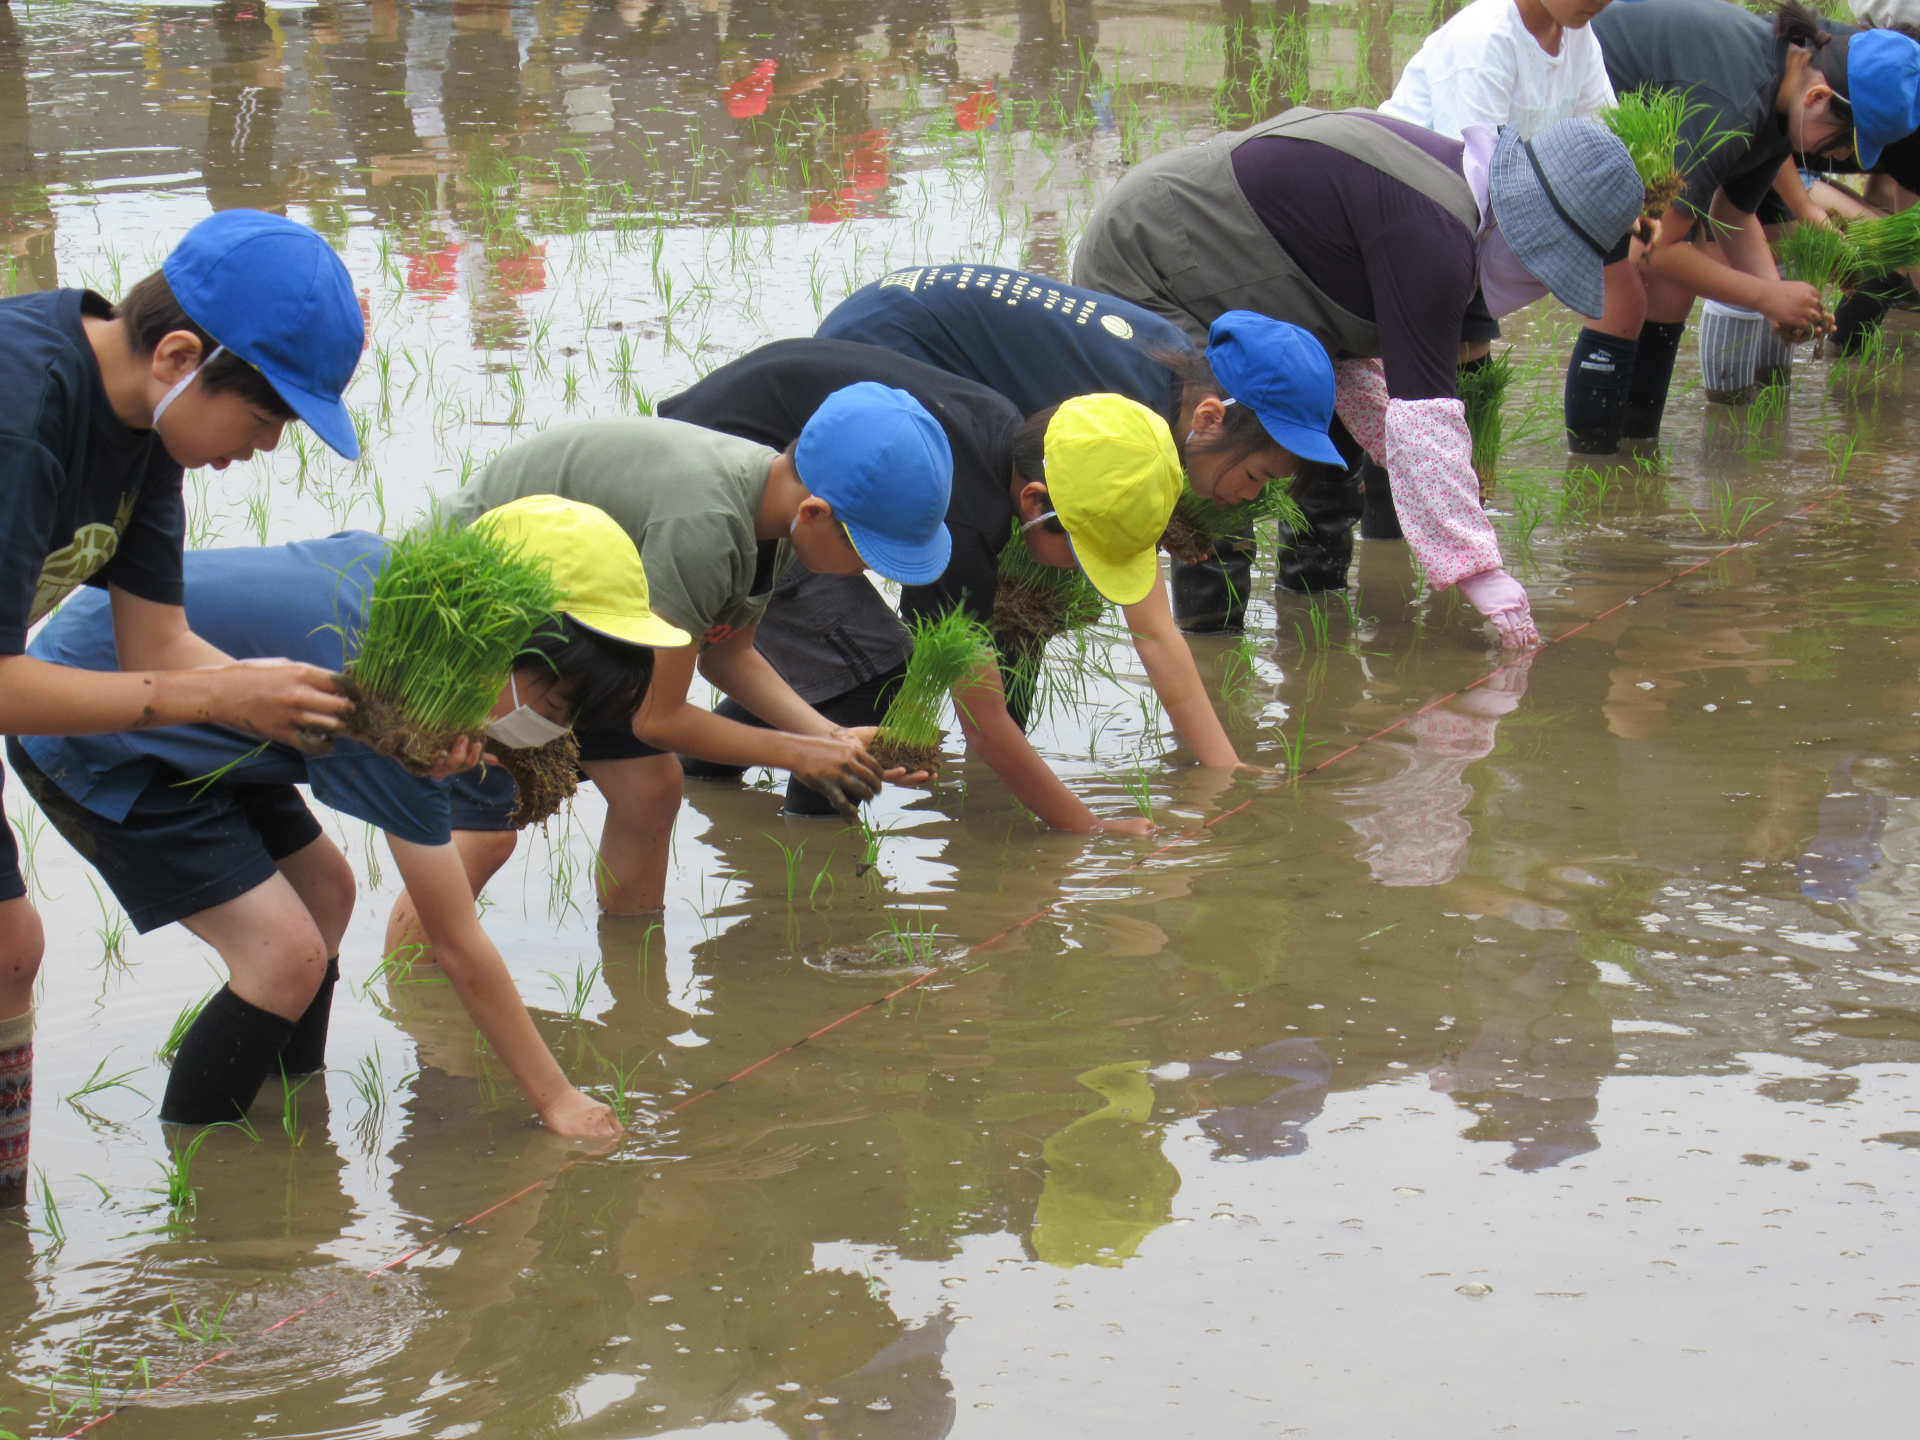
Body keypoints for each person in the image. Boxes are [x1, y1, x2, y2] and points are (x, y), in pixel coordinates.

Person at [7, 497, 681, 1142]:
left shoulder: (412, 607)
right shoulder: (391, 699)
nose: (557, 727)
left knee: (327, 893)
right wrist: (558, 1098)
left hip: (221, 732)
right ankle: (210, 1175)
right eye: (557, 703)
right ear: (500, 636)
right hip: (95, 728)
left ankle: (292, 1096)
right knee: (283, 958)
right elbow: (453, 940)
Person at [0, 208, 364, 1208]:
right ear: (179, 356)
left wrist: (351, 718)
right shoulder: (22, 409)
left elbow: (157, 646)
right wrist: (215, 694)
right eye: (267, 418)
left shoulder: (143, 435)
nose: (266, 446)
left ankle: (17, 1262)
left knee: (9, 952)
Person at [382, 387, 953, 957]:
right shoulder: (707, 522)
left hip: (581, 624)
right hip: (471, 620)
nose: (869, 571)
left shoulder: (770, 516)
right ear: (816, 514)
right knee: (485, 829)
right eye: (869, 553)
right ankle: (412, 999)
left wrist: (832, 740)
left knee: (650, 788)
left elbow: (729, 656)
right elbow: (660, 718)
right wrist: (799, 754)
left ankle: (635, 983)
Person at [662, 337, 1307, 828]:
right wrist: (1090, 828)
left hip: (742, 442)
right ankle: (815, 841)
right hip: (737, 486)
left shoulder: (1003, 430)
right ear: (1034, 500)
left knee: (845, 656)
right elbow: (987, 724)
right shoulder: (964, 525)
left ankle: (712, 774)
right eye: (1082, 552)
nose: (1080, 574)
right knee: (873, 668)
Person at [1072, 106, 1644, 645]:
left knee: (1304, 437)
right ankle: (1210, 653)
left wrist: (1442, 487)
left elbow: (1358, 379)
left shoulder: (1451, 196)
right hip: (1153, 265)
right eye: (1541, 268)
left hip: (1216, 266)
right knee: (1225, 462)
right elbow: (1423, 422)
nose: (1534, 285)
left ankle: (1304, 631)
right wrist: (1478, 571)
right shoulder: (1434, 237)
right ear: (1521, 231)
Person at [816, 264, 1349, 626]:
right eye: (1254, 477)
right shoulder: (1126, 416)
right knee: (956, 574)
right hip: (881, 355)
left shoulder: (1169, 361)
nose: (1250, 498)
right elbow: (1150, 623)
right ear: (1211, 417)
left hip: (883, 317)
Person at [1577, 0, 1870, 449]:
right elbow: (1652, 250)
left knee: (1672, 294)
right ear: (1818, 99)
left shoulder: (1780, 102)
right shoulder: (1733, 103)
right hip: (1577, 113)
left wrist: (1778, 298)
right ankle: (1595, 480)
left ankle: (1636, 459)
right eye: (1843, 144)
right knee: (1625, 297)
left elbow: (1732, 215)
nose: (1843, 159)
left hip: (1632, 136)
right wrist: (1766, 295)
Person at [1380, 0, 1654, 453]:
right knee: (1413, 378)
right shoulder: (1486, 39)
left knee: (1471, 363)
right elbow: (1465, 168)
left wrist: (1632, 210)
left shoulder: (1577, 35)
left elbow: (1602, 134)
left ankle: (1470, 486)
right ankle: (1386, 514)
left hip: (1487, 218)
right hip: (1420, 212)